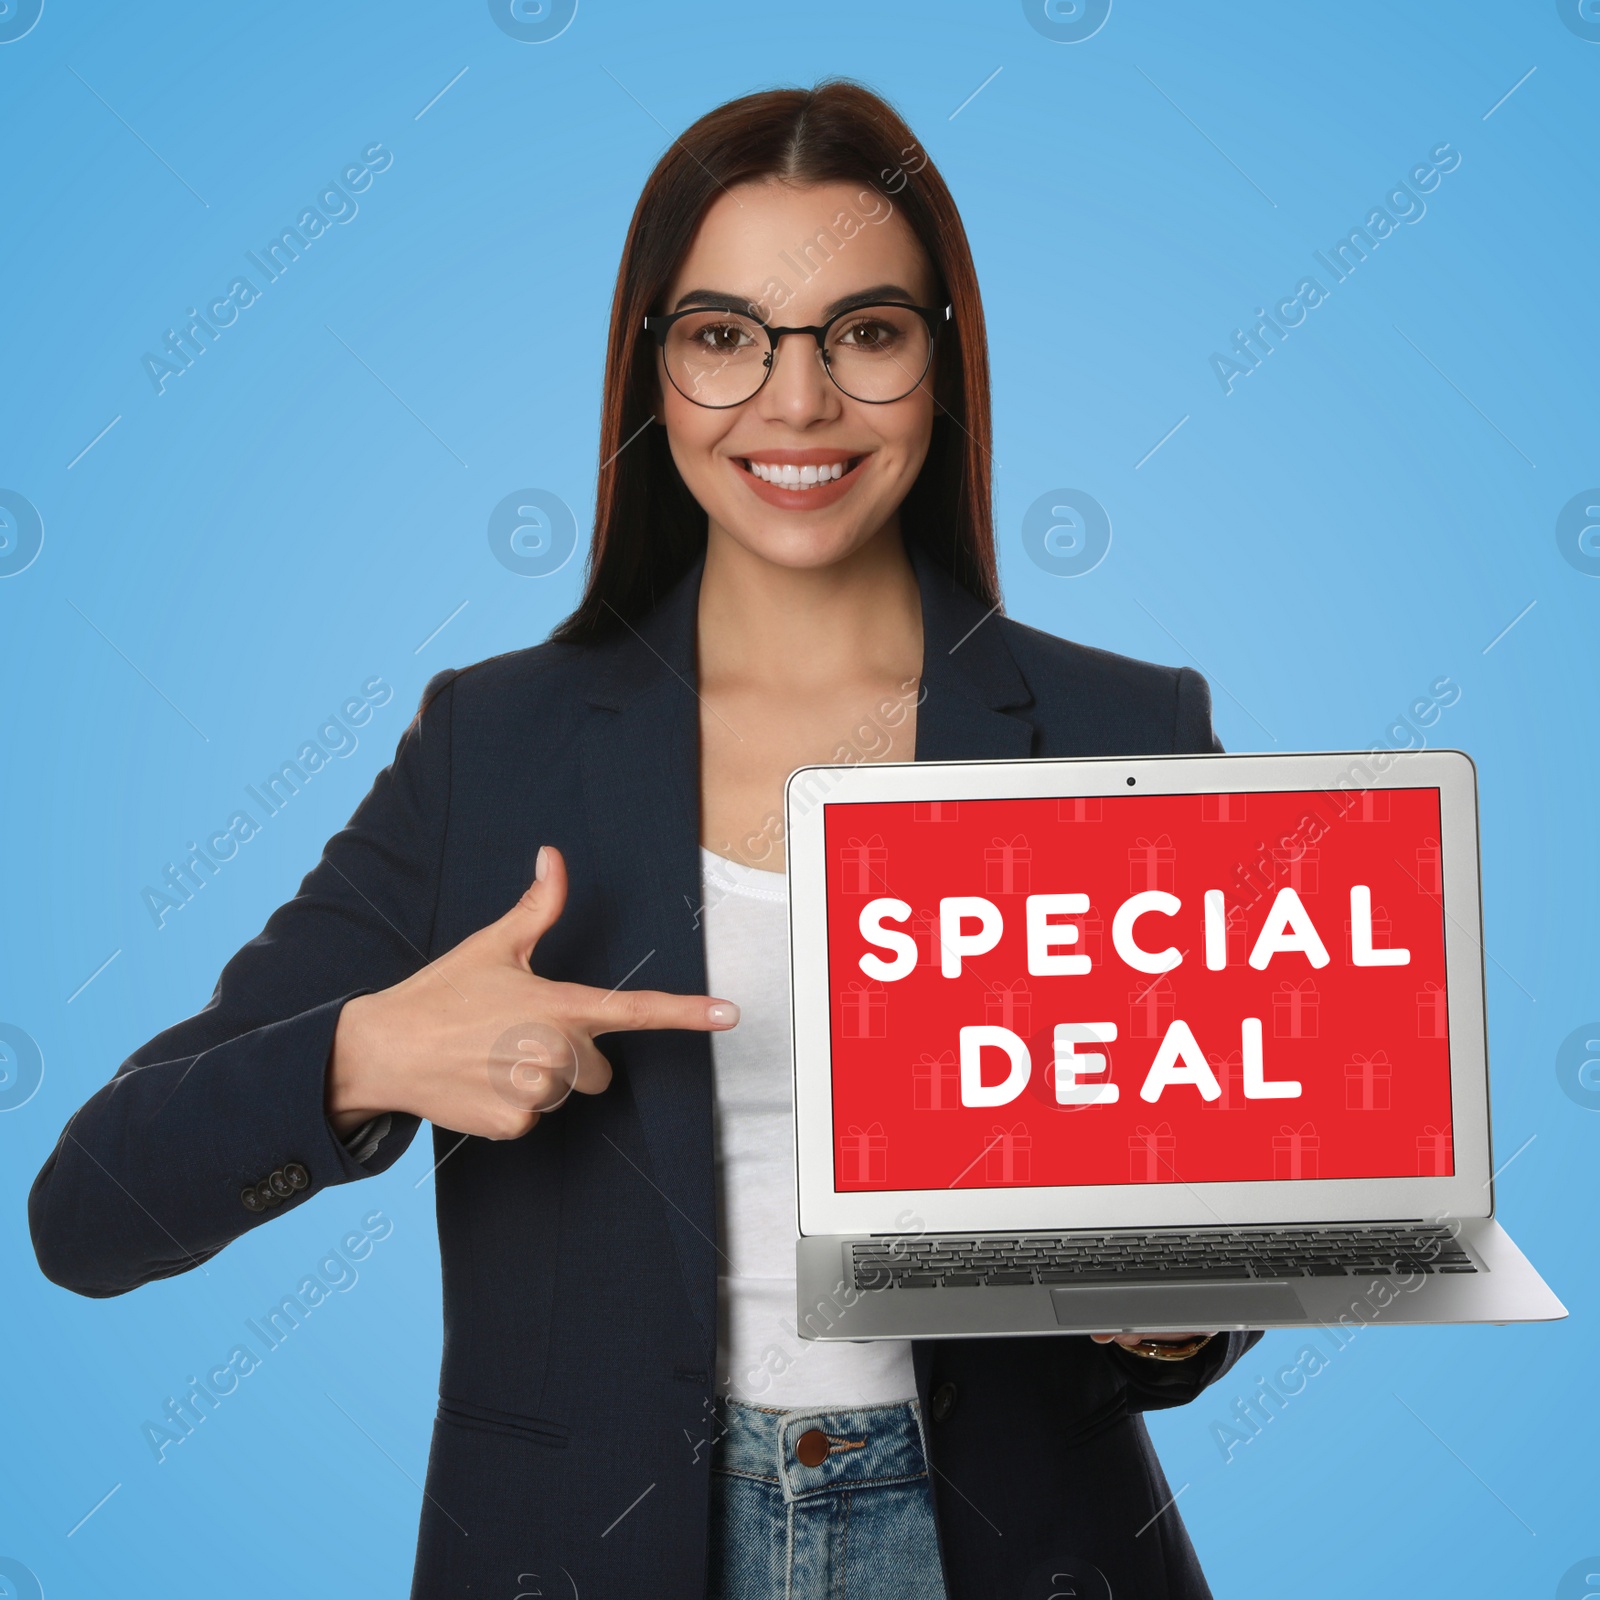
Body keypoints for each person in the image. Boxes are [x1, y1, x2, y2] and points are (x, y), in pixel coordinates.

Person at [30, 80, 1261, 1600]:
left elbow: (1224, 1208)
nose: (795, 403)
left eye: (865, 334)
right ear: (654, 372)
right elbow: (87, 1215)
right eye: (725, 335)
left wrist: (1183, 1310)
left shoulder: (1117, 730)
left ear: (941, 360)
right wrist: (366, 1055)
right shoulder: (497, 748)